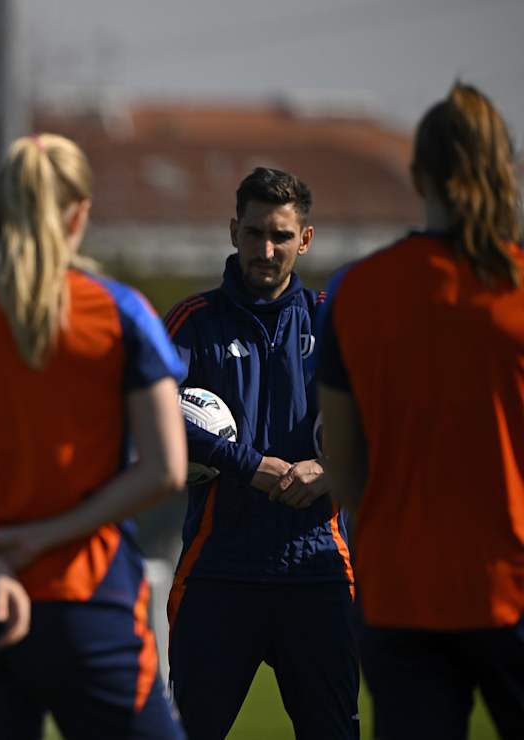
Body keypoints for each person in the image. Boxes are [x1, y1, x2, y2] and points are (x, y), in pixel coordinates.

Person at [0, 133, 187, 739]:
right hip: (87, 602)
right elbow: (166, 469)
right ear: (79, 214)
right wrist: (47, 537)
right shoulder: (120, 313)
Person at [318, 82, 524, 739]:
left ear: (416, 174)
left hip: (400, 594)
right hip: (512, 588)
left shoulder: (360, 291)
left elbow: (344, 471)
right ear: (507, 171)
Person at [162, 166, 358, 739]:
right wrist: (248, 465)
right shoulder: (192, 325)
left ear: (306, 239)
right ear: (232, 231)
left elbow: (385, 421)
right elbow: (148, 417)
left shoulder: (335, 323)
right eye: (253, 233)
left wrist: (329, 468)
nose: (266, 249)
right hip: (219, 575)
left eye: (280, 235)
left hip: (319, 573)